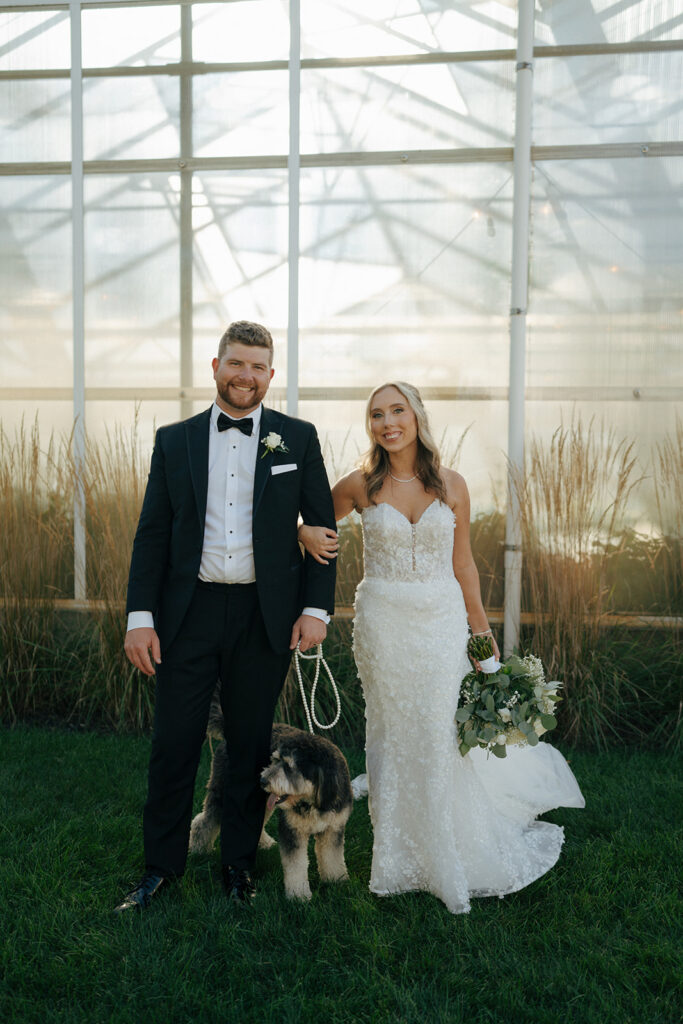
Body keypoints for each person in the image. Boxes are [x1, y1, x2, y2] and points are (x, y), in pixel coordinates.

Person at [299, 381, 584, 915]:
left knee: (436, 732)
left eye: (397, 411)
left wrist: (481, 634)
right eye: (377, 414)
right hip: (383, 624)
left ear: (417, 415)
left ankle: (445, 850)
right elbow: (314, 529)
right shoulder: (357, 485)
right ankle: (397, 858)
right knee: (392, 731)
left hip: (440, 623)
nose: (387, 422)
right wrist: (301, 535)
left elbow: (464, 565)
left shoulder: (452, 485)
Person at [115, 321, 336, 912]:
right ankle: (160, 869)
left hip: (264, 616)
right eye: (236, 364)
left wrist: (316, 608)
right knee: (174, 745)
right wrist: (141, 617)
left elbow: (323, 530)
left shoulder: (298, 437)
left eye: (258, 366)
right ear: (215, 367)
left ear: (271, 373)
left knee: (247, 747)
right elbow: (152, 536)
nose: (247, 376)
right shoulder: (174, 439)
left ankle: (239, 866)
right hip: (188, 613)